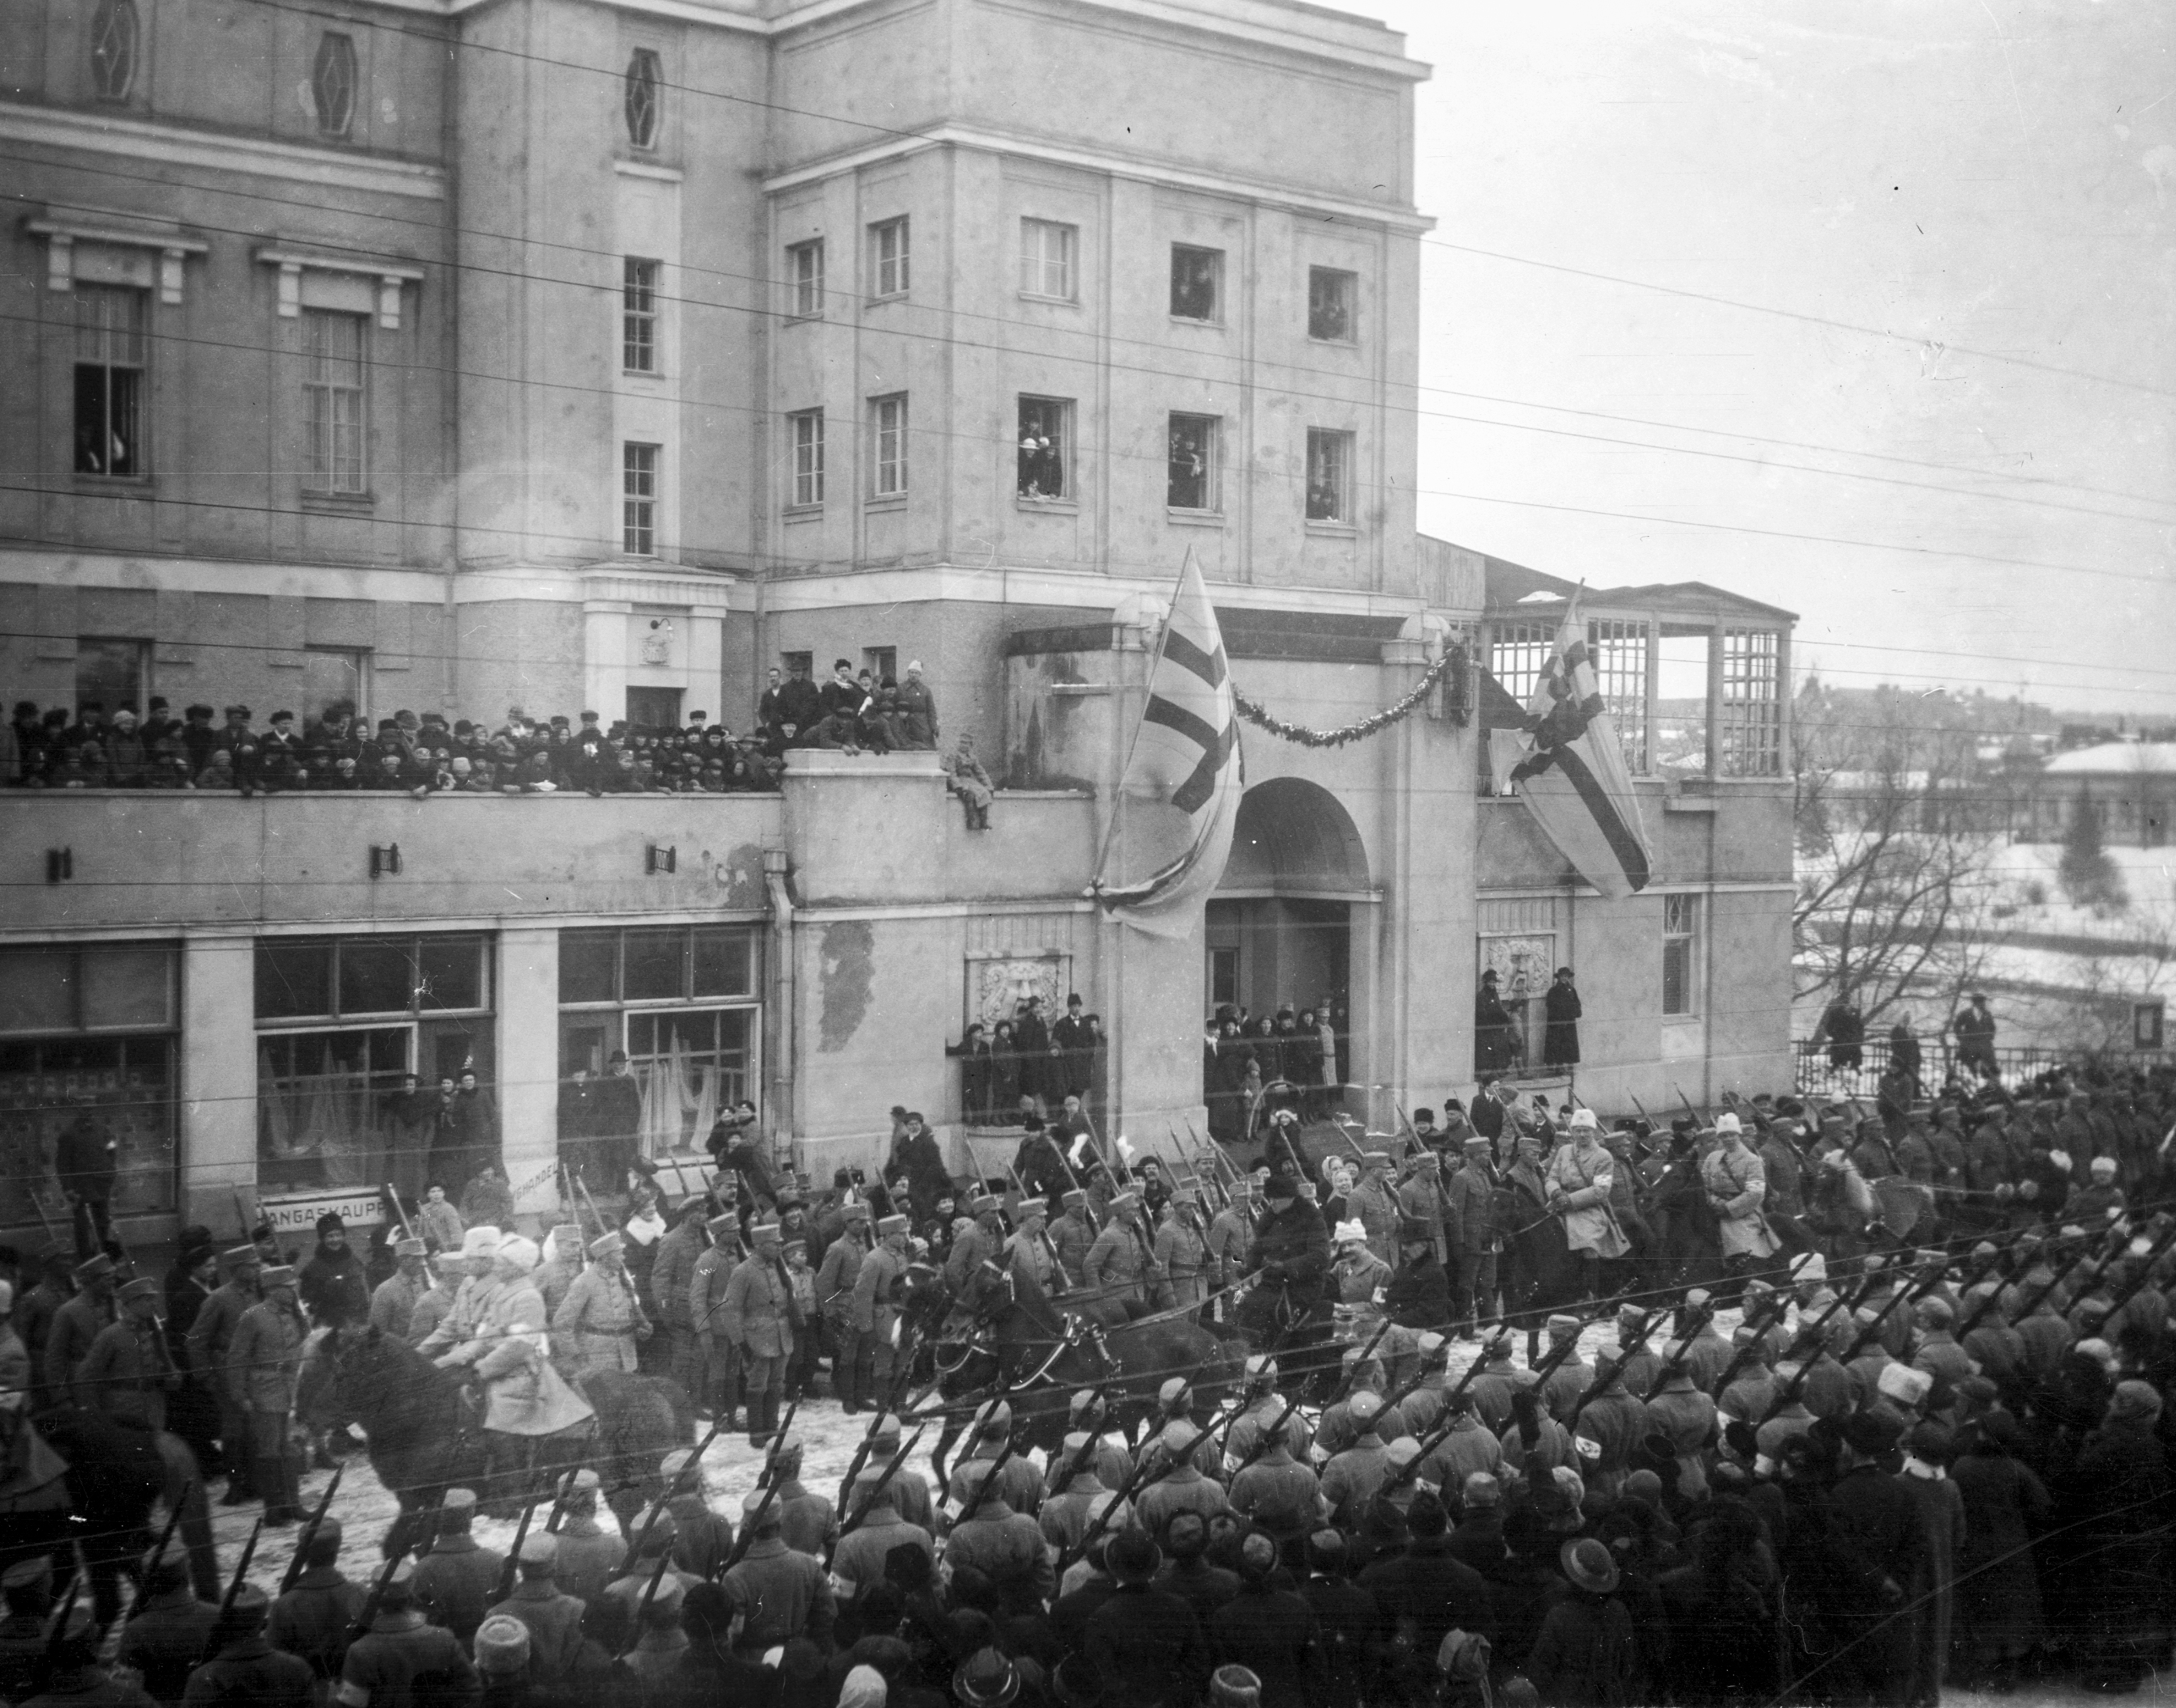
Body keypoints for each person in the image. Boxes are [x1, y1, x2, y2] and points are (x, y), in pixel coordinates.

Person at [226, 1264, 308, 1524]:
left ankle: (293, 1505)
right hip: (265, 1389)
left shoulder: (296, 1314)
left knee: (291, 1448)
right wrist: (241, 1395)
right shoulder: (253, 1316)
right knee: (270, 1450)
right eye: (288, 1287)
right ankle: (273, 1510)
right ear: (272, 1290)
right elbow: (237, 1357)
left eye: (294, 1286)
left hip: (291, 1387)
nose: (293, 1291)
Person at [940, 732, 994, 830]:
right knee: (970, 795)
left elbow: (980, 772)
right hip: (957, 780)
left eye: (966, 743)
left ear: (971, 745)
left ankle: (983, 821)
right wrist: (957, 786)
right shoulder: (953, 756)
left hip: (969, 781)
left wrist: (989, 786)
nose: (963, 745)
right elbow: (951, 772)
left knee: (984, 793)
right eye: (962, 742)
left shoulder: (972, 758)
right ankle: (971, 821)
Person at [1542, 967, 1582, 1068]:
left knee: (1569, 1044)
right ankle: (1558, 1067)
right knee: (1558, 1044)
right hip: (1558, 1023)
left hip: (1569, 1022)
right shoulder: (1554, 991)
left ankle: (1569, 1065)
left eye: (1566, 976)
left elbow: (1577, 1003)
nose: (1565, 978)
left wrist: (1575, 1012)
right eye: (1563, 976)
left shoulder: (1572, 990)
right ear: (1559, 978)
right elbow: (1551, 1006)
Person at [1950, 993, 1997, 1076]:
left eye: (1983, 1002)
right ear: (1975, 1003)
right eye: (1981, 1002)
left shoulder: (1987, 1014)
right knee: (1971, 1064)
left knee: (1990, 1065)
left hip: (1984, 1045)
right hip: (1970, 1045)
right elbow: (1957, 1026)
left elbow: (1992, 1028)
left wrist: (1989, 1036)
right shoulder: (1966, 1013)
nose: (1983, 1004)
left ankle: (1987, 1074)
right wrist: (1962, 1038)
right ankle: (1974, 1073)